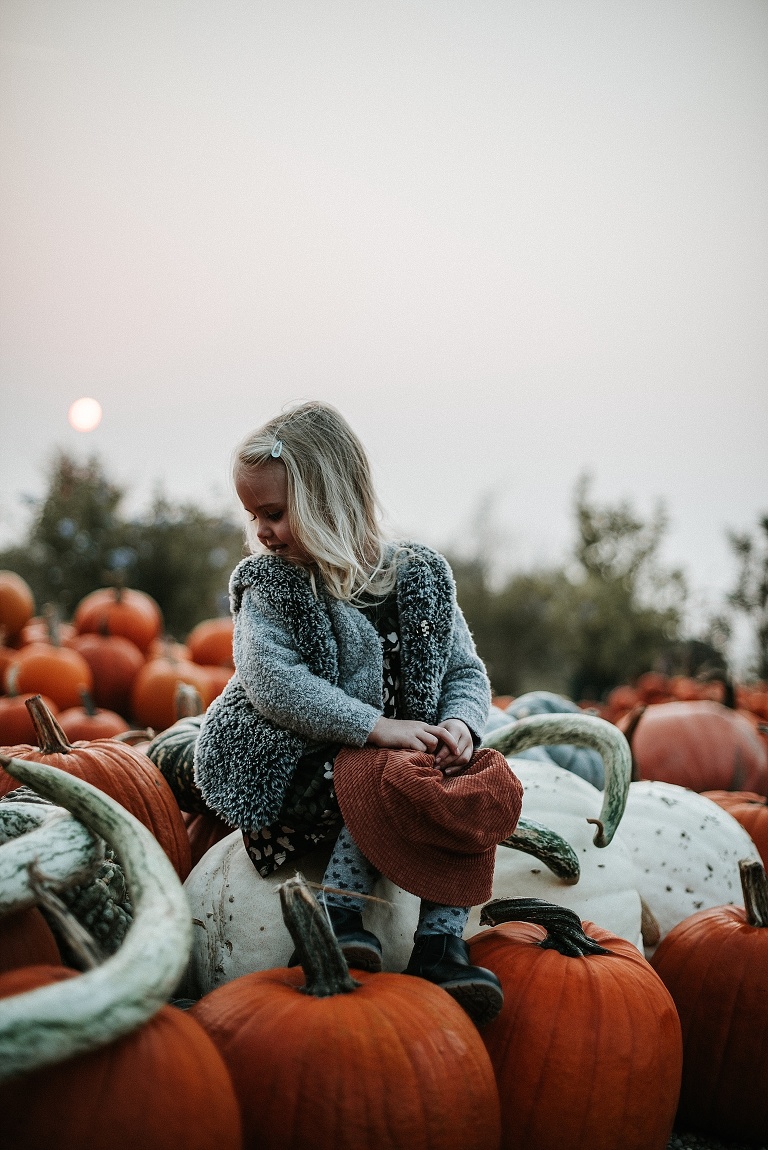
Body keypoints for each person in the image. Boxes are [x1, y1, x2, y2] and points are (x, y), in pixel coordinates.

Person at [194, 400, 523, 1025]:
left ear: (330, 500)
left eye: (274, 513)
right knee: (382, 769)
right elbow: (274, 684)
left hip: (401, 757)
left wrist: (460, 724)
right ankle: (340, 914)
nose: (262, 530)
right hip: (295, 763)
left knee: (479, 782)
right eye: (253, 516)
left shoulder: (420, 576)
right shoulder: (271, 587)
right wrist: (376, 728)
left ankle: (441, 945)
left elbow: (465, 671)